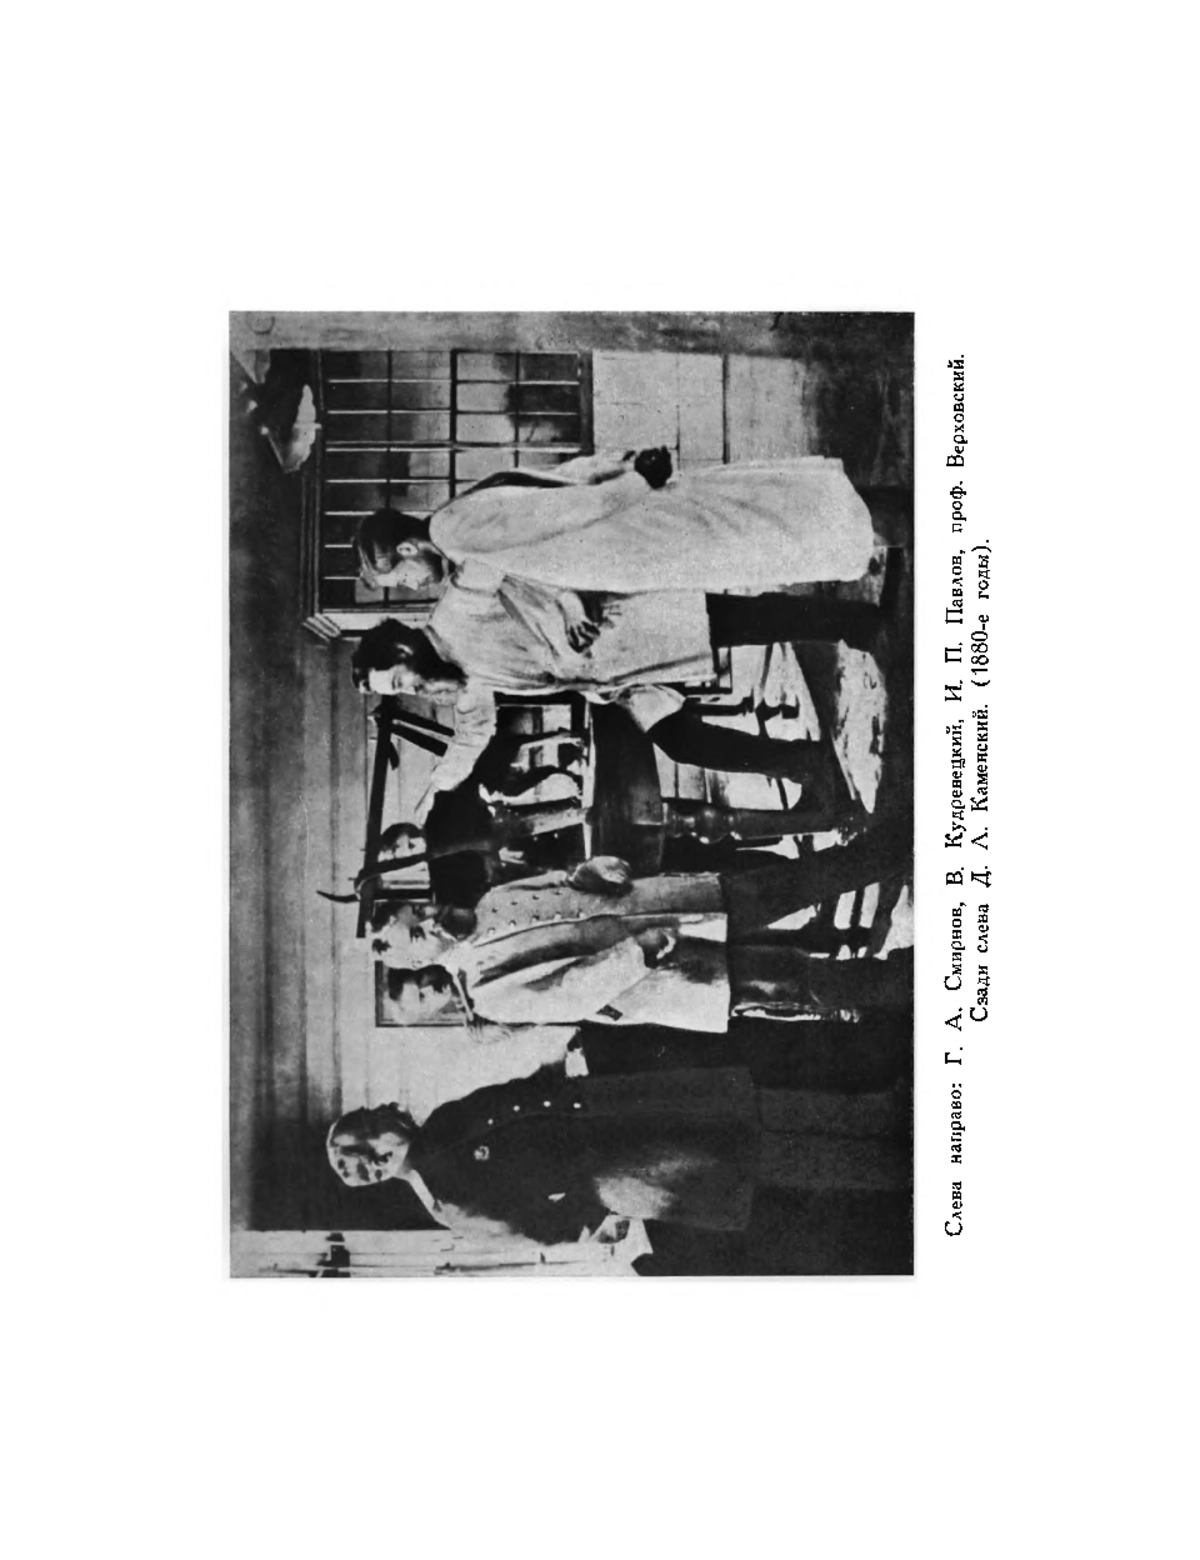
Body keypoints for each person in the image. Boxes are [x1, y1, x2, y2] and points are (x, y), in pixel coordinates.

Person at [350, 583, 895, 824]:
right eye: (397, 692)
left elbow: (511, 561)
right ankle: (806, 764)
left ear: (402, 650)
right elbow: (472, 735)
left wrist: (567, 599)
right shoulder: (458, 679)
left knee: (738, 622)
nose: (411, 691)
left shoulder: (456, 609)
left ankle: (857, 623)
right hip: (613, 678)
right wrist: (434, 797)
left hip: (613, 623)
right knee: (680, 741)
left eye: (398, 681)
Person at [368, 818, 912, 1031]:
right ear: (421, 960)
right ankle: (908, 980)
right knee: (792, 980)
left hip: (673, 902)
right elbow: (571, 994)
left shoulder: (491, 899)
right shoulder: (486, 991)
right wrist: (639, 953)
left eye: (418, 910)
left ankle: (899, 844)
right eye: (418, 934)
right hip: (670, 971)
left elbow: (565, 881)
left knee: (789, 884)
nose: (429, 919)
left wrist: (592, 870)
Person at [325, 1064, 909, 1245]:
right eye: (365, 1170)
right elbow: (539, 1225)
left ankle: (882, 1114)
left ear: (378, 1118)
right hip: (624, 1166)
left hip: (608, 1109)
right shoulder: (446, 1201)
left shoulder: (444, 1120)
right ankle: (898, 1166)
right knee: (751, 1158)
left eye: (364, 1140)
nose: (374, 1158)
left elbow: (517, 1098)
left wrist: (560, 1073)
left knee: (739, 1106)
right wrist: (597, 1203)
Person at [356, 446, 902, 595]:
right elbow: (556, 482)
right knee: (778, 514)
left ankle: (914, 521)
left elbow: (556, 511)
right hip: (636, 530)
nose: (411, 585)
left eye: (400, 578)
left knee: (782, 526)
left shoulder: (453, 532)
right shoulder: (457, 523)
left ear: (407, 548)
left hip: (638, 530)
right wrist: (620, 470)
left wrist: (634, 481)